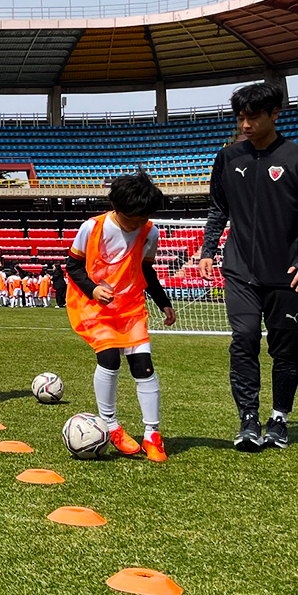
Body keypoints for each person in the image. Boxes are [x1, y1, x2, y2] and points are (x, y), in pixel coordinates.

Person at [198, 81, 298, 452]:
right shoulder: (228, 158)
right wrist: (208, 249)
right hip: (238, 268)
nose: (245, 124)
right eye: (240, 117)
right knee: (244, 339)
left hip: (286, 271)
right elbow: (218, 208)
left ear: (274, 114)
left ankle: (279, 419)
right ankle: (248, 419)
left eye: (253, 117)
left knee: (284, 349)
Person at [66, 172, 175, 462]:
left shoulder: (149, 232)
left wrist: (163, 302)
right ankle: (110, 426)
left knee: (144, 366)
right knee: (110, 359)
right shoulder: (92, 228)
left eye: (143, 218)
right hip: (95, 306)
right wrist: (93, 289)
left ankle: (153, 434)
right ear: (116, 207)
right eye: (131, 219)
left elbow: (146, 271)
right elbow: (73, 267)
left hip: (131, 307)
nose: (137, 225)